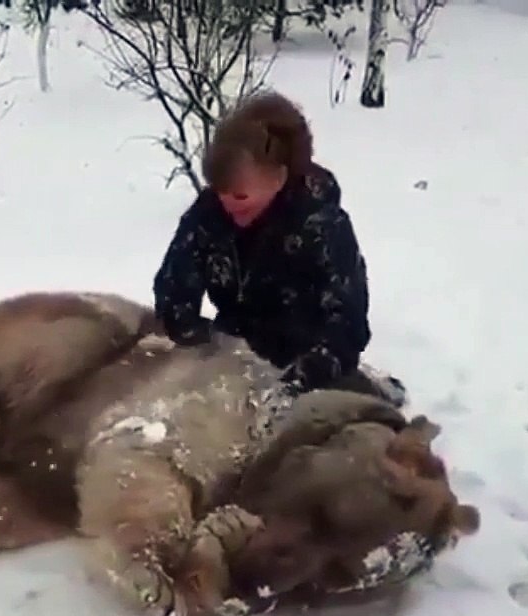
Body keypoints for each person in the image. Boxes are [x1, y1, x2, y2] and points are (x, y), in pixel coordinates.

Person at [151, 91, 405, 436]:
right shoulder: (209, 215)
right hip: (234, 351)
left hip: (310, 365)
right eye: (219, 192)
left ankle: (371, 387)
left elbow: (347, 325)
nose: (228, 206)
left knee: (356, 437)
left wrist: (295, 384)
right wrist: (203, 340)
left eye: (240, 196)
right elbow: (173, 292)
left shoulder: (323, 226)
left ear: (280, 177)